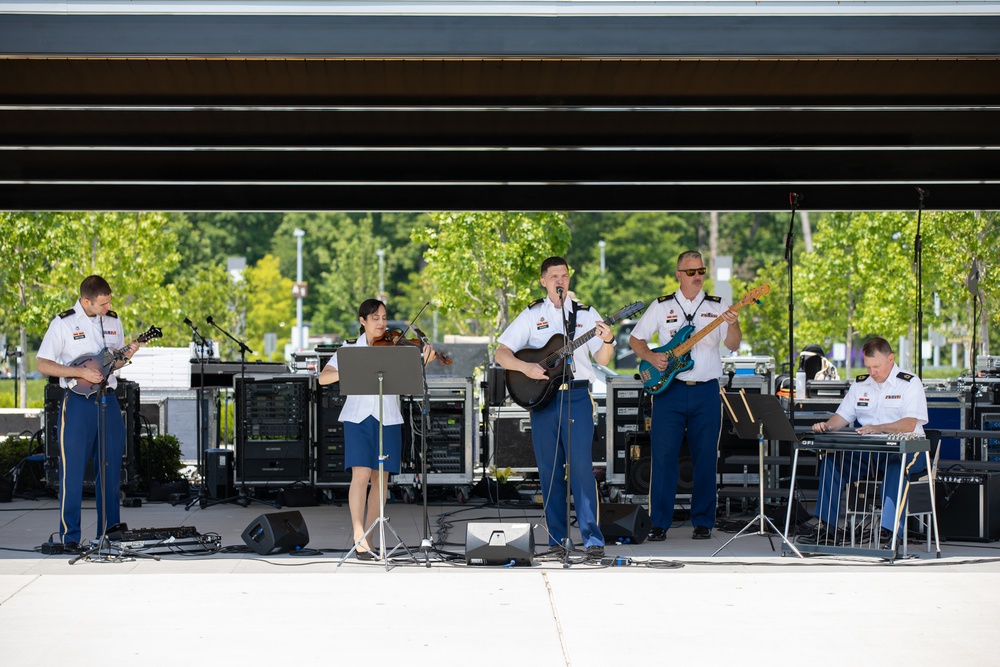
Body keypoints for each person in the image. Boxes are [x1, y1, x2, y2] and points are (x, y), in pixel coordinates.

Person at [495, 256, 615, 559]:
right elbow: (501, 353)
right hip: (544, 402)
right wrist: (527, 369)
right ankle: (557, 540)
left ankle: (592, 540)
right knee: (550, 473)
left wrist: (609, 339)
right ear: (543, 281)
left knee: (582, 472)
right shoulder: (532, 314)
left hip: (576, 397)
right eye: (553, 276)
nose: (560, 280)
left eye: (564, 275)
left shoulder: (586, 315)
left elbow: (602, 360)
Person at [629, 250, 741, 541]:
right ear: (679, 274)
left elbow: (734, 344)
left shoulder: (718, 305)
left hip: (706, 390)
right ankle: (658, 523)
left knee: (705, 458)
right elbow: (635, 339)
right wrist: (652, 357)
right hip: (670, 391)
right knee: (663, 458)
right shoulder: (662, 305)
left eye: (701, 271)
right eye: (690, 272)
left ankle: (703, 522)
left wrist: (733, 323)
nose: (697, 277)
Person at [318, 299, 436, 560]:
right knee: (360, 475)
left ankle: (369, 540)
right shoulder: (348, 350)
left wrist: (424, 361)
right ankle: (358, 535)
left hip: (389, 418)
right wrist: (350, 368)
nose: (382, 323)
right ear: (363, 321)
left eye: (384, 317)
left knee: (380, 480)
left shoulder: (396, 349)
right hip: (358, 419)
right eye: (375, 318)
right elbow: (323, 377)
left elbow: (408, 384)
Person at [36, 275, 144, 551]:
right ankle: (70, 537)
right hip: (77, 403)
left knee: (109, 469)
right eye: (102, 303)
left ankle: (109, 533)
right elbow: (43, 364)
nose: (108, 306)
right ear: (86, 301)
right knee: (72, 471)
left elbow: (113, 363)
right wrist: (79, 372)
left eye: (110, 301)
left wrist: (128, 354)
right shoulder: (63, 323)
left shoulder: (113, 321)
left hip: (107, 401)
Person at [800, 336, 928, 545]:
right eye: (868, 367)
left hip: (909, 448)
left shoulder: (909, 382)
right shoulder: (861, 384)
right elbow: (843, 416)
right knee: (833, 463)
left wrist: (879, 428)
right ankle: (827, 529)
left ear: (890, 359)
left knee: (897, 466)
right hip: (871, 451)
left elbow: (909, 423)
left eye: (876, 366)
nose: (872, 372)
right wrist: (827, 426)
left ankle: (889, 533)